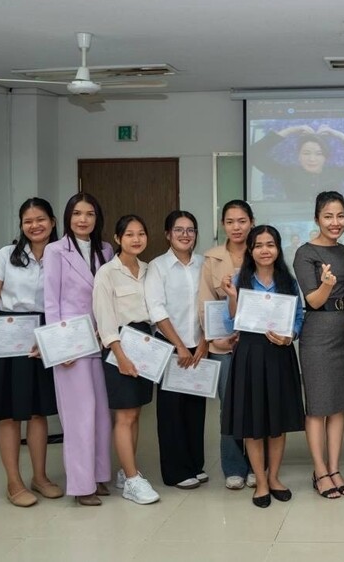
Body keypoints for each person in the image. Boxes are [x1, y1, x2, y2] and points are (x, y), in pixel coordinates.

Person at [0, 197, 63, 507]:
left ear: (52, 222)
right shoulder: (6, 254)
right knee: (9, 411)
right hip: (9, 332)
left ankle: (40, 477)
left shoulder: (61, 255)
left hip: (43, 331)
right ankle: (13, 482)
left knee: (38, 410)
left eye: (40, 219)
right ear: (21, 225)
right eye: (28, 221)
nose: (34, 225)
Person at [221, 225, 306, 508]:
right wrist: (232, 296)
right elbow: (230, 322)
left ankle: (274, 477)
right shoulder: (239, 279)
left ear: (278, 249)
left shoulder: (288, 281)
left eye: (270, 244)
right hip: (250, 355)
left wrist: (290, 336)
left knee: (277, 422)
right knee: (254, 421)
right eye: (258, 245)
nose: (265, 250)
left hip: (280, 354)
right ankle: (260, 480)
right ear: (250, 250)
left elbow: (299, 317)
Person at [42, 192, 114, 506]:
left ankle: (99, 476)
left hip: (100, 339)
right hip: (71, 343)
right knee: (78, 416)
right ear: (68, 217)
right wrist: (60, 347)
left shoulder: (106, 250)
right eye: (77, 213)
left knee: (100, 414)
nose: (83, 219)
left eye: (89, 214)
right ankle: (82, 486)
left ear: (97, 218)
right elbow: (51, 302)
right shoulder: (55, 250)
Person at [292, 191, 344, 499]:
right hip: (317, 334)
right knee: (319, 406)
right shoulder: (305, 253)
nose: (335, 222)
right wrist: (327, 285)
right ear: (316, 218)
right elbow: (314, 301)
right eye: (328, 216)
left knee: (339, 404)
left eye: (340, 216)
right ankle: (319, 471)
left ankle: (334, 468)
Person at [93, 214, 160, 505]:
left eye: (141, 233)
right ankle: (133, 480)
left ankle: (126, 470)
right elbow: (105, 319)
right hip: (120, 344)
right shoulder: (107, 273)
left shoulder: (148, 269)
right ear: (118, 239)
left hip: (145, 342)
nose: (136, 239)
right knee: (124, 415)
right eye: (129, 234)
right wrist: (119, 355)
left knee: (136, 413)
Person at [144, 210, 208, 490]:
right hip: (170, 345)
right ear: (168, 234)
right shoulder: (157, 267)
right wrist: (179, 346)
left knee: (195, 407)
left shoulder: (203, 264)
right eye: (179, 229)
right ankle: (175, 471)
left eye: (190, 230)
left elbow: (210, 304)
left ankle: (195, 465)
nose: (185, 234)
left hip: (200, 344)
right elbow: (156, 309)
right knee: (172, 411)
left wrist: (204, 341)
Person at [197, 200, 254, 490]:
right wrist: (214, 337)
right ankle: (233, 466)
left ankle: (257, 465)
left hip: (256, 342)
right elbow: (205, 302)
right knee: (229, 406)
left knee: (256, 403)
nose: (236, 227)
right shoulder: (212, 258)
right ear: (223, 225)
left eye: (242, 221)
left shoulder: (261, 250)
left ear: (251, 222)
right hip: (223, 343)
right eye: (230, 222)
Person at [250, 124, 344, 200]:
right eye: (306, 153)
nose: (312, 159)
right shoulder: (288, 173)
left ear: (326, 157)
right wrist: (292, 130)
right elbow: (254, 153)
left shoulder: (336, 173)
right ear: (298, 156)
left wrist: (337, 134)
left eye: (318, 154)